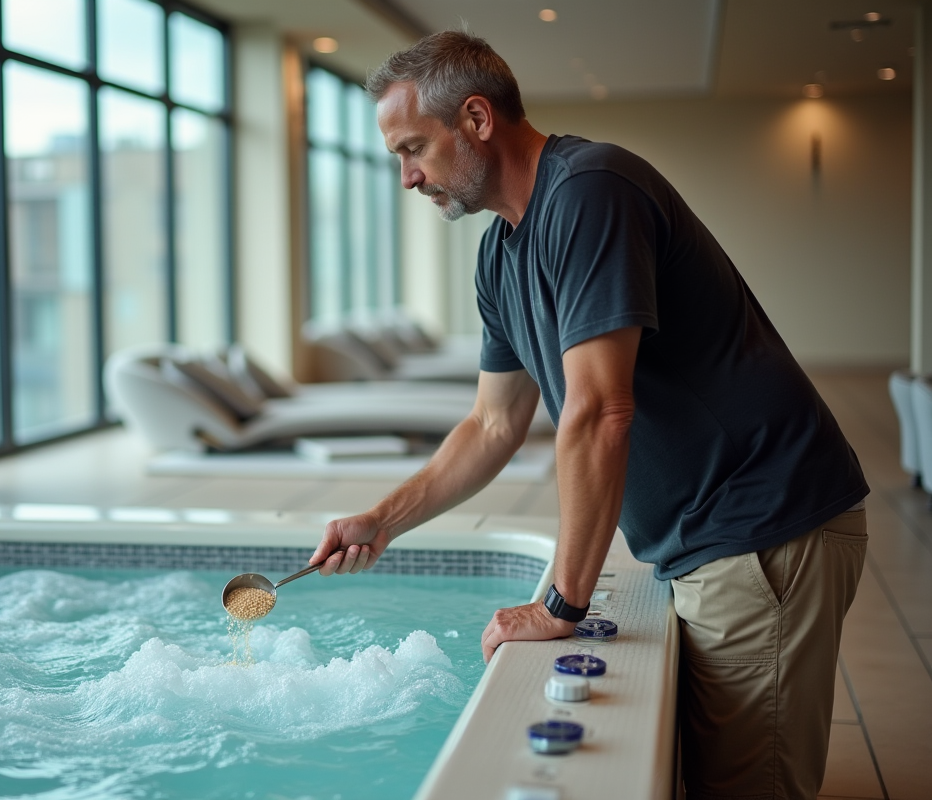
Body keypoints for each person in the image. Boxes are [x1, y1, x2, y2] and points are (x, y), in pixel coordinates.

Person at [307, 31, 870, 800]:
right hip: (708, 537)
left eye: (414, 149)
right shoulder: (500, 256)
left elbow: (600, 408)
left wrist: (560, 603)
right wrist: (382, 519)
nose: (407, 178)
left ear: (476, 119)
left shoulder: (591, 190)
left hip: (762, 528)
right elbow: (493, 425)